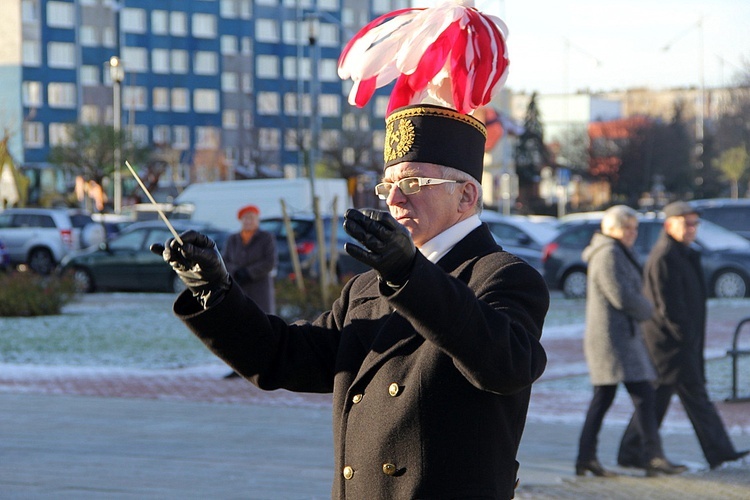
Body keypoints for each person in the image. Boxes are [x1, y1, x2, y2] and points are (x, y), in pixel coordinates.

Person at [150, 3, 549, 497]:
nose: (396, 198)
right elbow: (282, 357)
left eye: (415, 182)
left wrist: (408, 274)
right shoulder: (369, 286)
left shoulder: (503, 276)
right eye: (387, 187)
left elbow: (504, 366)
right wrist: (215, 291)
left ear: (467, 195)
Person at [617, 201, 749, 470]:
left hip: (679, 342)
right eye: (686, 223)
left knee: (664, 398)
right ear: (669, 224)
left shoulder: (684, 253)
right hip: (669, 344)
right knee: (684, 397)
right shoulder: (665, 255)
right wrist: (685, 336)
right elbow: (668, 305)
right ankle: (719, 452)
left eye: (694, 223)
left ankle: (631, 451)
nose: (692, 229)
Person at [575, 206, 685, 478]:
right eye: (628, 228)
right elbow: (621, 296)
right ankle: (651, 457)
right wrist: (649, 310)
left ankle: (587, 458)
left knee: (607, 398)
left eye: (635, 228)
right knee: (643, 395)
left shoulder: (616, 250)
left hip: (620, 337)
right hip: (613, 340)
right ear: (612, 229)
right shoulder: (609, 253)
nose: (633, 234)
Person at [222, 204, 277, 315]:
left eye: (252, 218)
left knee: (262, 319)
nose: (248, 221)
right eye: (245, 218)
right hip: (237, 287)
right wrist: (235, 271)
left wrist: (248, 272)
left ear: (257, 220)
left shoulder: (266, 237)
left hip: (260, 289)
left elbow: (270, 262)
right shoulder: (232, 239)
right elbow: (224, 261)